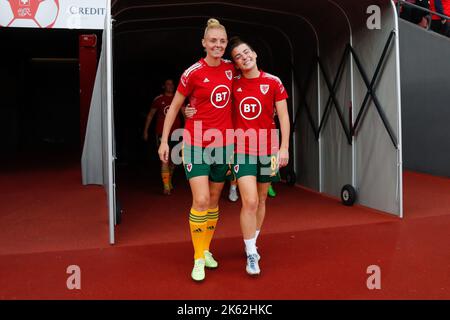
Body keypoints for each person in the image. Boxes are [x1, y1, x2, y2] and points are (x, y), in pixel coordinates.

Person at [158, 18, 235, 282]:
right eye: (213, 41)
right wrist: (164, 141)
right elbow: (178, 105)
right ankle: (198, 257)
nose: (218, 45)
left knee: (214, 200)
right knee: (200, 200)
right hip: (196, 142)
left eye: (222, 41)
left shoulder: (231, 68)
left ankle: (207, 249)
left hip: (223, 144)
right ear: (204, 43)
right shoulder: (192, 73)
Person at [229, 37, 290, 276]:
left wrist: (283, 147)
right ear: (235, 63)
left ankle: (250, 243)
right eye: (238, 56)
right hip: (242, 149)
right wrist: (191, 110)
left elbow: (283, 117)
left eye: (246, 52)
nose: (244, 57)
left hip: (269, 148)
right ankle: (252, 254)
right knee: (250, 201)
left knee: (263, 199)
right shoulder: (233, 83)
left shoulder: (273, 82)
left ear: (255, 53)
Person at [143, 78, 183, 195]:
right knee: (164, 159)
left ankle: (169, 179)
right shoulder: (158, 99)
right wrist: (145, 131)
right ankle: (166, 186)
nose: (170, 86)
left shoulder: (178, 97)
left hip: (177, 133)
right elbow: (150, 115)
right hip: (162, 134)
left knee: (175, 160)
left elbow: (185, 114)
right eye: (168, 84)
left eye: (172, 84)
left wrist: (188, 131)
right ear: (163, 86)